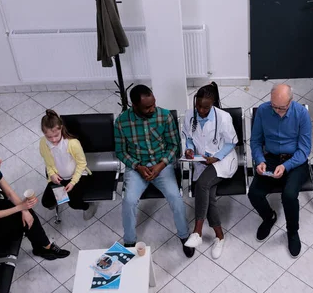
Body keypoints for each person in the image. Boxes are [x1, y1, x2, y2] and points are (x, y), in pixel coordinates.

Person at [114, 85, 194, 257]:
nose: (152, 109)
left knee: (175, 198)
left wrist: (161, 165)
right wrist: (137, 166)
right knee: (128, 201)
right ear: (134, 106)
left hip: (161, 165)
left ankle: (184, 235)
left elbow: (174, 146)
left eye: (153, 104)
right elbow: (120, 151)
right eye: (147, 107)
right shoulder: (121, 121)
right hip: (137, 167)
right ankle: (129, 241)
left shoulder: (164, 116)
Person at [0, 148, 70, 260]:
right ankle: (43, 247)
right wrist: (20, 207)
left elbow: (9, 192)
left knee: (28, 215)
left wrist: (24, 210)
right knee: (22, 223)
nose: (1, 161)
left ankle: (44, 246)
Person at [248, 84, 311, 258]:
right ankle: (269, 217)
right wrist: (260, 160)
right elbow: (255, 141)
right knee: (254, 193)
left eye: (282, 108)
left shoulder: (301, 114)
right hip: (271, 158)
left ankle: (292, 231)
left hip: (295, 160)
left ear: (291, 102)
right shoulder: (263, 111)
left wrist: (286, 166)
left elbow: (305, 150)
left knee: (289, 195)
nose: (277, 111)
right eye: (274, 106)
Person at [182, 82, 238, 259]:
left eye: (205, 107)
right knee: (209, 197)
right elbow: (188, 137)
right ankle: (219, 237)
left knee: (202, 184)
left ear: (213, 104)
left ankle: (197, 231)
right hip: (201, 161)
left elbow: (231, 142)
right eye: (198, 105)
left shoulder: (223, 118)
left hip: (222, 160)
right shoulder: (190, 115)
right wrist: (189, 148)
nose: (200, 110)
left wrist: (217, 157)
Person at [39, 109, 97, 220]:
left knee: (74, 204)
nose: (54, 140)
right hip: (59, 178)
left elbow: (82, 164)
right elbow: (47, 162)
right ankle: (62, 197)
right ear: (44, 134)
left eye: (56, 135)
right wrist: (52, 174)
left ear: (61, 128)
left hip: (77, 176)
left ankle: (88, 206)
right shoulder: (43, 143)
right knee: (46, 202)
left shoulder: (73, 143)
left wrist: (73, 182)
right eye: (49, 137)